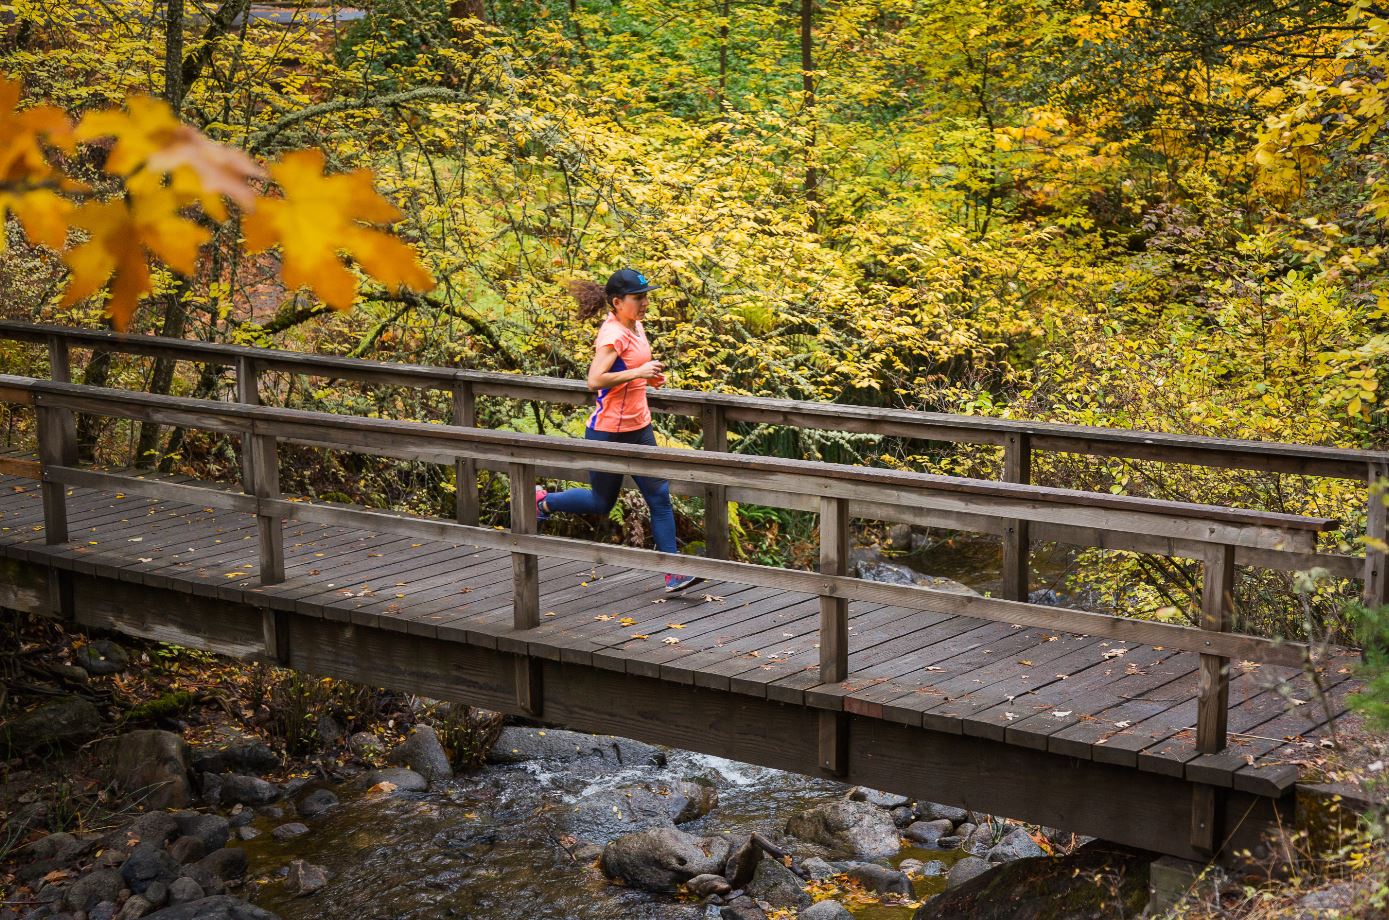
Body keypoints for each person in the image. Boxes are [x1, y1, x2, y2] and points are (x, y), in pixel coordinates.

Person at [536, 268, 704, 593]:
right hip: (609, 431)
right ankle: (544, 501)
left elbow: (631, 372)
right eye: (638, 298)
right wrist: (638, 372)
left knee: (659, 496)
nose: (644, 302)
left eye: (645, 296)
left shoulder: (637, 326)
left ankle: (673, 572)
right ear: (617, 302)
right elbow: (595, 379)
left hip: (640, 427)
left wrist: (647, 377)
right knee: (601, 502)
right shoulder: (612, 334)